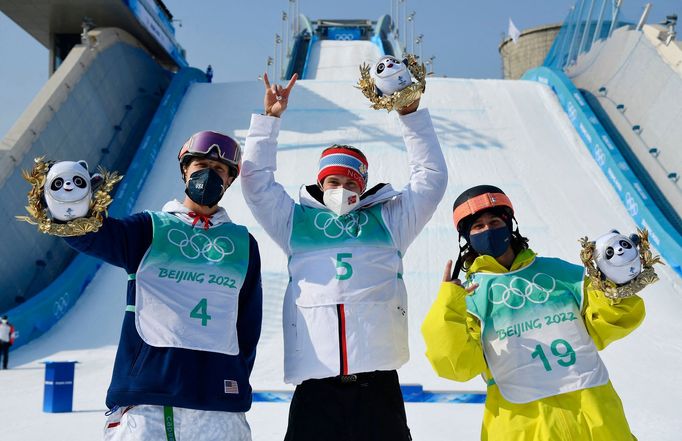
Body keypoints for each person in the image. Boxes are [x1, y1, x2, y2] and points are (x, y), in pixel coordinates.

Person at [241, 72, 447, 441]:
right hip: (315, 385)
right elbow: (256, 184)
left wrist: (410, 114)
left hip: (377, 386)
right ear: (320, 185)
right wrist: (269, 121)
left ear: (363, 185)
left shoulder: (389, 219)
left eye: (351, 183)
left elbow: (430, 179)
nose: (342, 189)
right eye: (333, 182)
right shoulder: (295, 221)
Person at [59, 131, 262, 440]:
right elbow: (88, 237)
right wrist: (72, 205)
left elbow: (248, 326)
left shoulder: (243, 243)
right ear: (185, 170)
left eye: (219, 169)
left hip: (218, 405)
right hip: (149, 400)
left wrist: (231, 377)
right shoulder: (149, 229)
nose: (209, 174)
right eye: (201, 165)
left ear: (230, 180)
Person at [421, 185, 645, 441]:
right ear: (466, 237)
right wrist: (448, 305)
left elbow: (608, 324)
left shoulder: (561, 274)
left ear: (509, 223)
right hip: (523, 427)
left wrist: (615, 286)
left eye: (494, 221)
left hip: (594, 418)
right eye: (478, 227)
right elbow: (456, 366)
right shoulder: (467, 297)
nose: (488, 230)